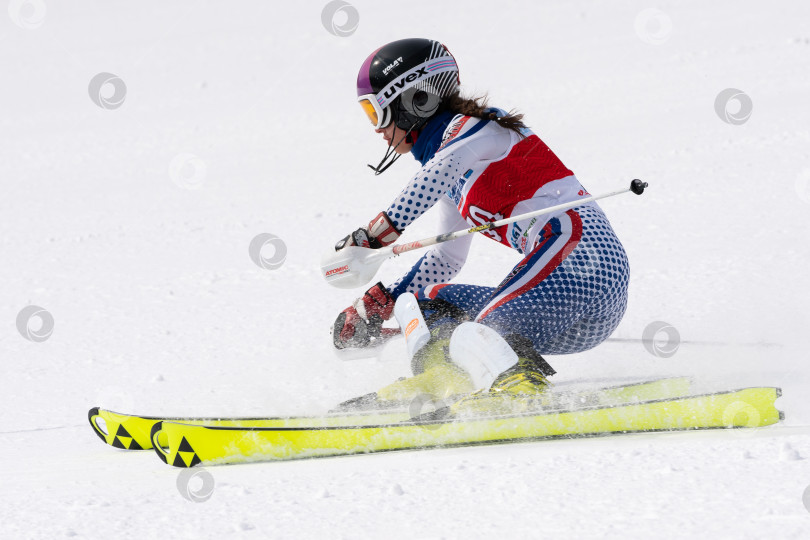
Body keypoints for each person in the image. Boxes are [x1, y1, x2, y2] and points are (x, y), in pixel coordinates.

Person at [332, 38, 630, 404]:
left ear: (416, 101)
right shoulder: (453, 175)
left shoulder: (475, 129)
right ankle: (442, 382)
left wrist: (372, 237)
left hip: (584, 257)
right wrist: (384, 301)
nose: (377, 129)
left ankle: (521, 387)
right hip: (562, 308)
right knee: (424, 303)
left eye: (377, 113)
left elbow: (433, 178)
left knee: (484, 331)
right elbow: (447, 258)